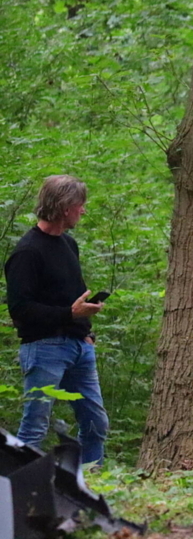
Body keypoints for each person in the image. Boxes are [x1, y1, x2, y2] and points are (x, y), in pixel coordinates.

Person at [4, 175, 109, 465]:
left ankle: (89, 488)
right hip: (44, 348)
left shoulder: (68, 244)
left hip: (80, 347)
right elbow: (20, 309)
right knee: (35, 425)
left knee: (95, 424)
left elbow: (72, 298)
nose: (83, 210)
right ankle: (16, 491)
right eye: (80, 205)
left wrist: (85, 330)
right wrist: (69, 314)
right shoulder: (27, 252)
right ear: (65, 207)